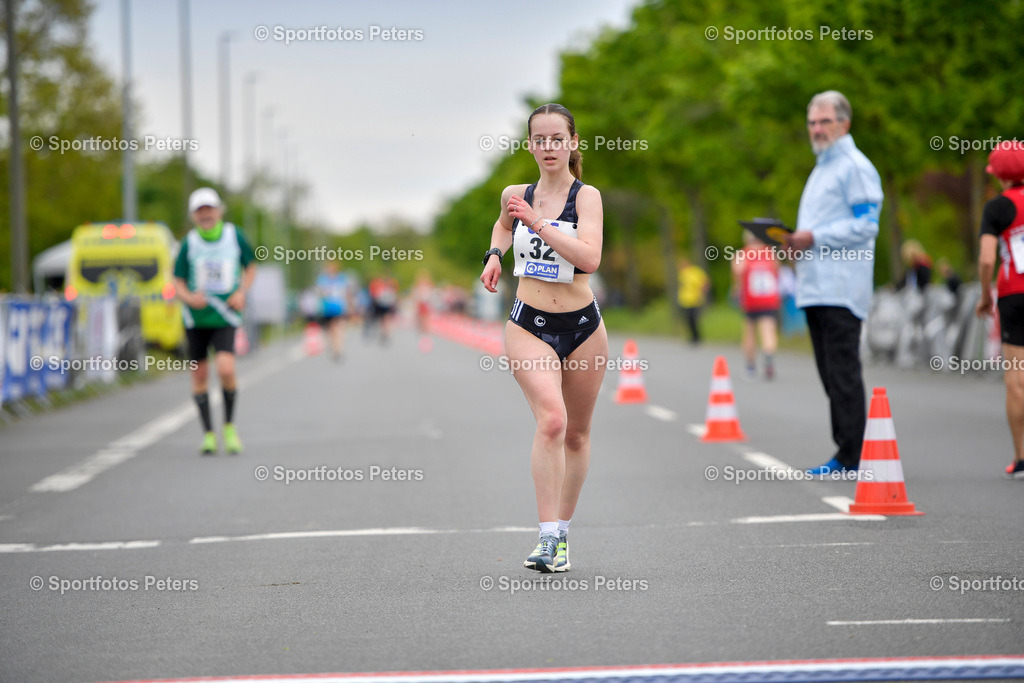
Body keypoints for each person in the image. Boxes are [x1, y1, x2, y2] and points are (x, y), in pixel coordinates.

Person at [479, 103, 606, 573]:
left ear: (572, 143)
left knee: (576, 434)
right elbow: (503, 224)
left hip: (583, 328)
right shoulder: (516, 193)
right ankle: (547, 537)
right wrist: (495, 253)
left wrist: (538, 223)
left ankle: (564, 534)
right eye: (540, 139)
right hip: (528, 324)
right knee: (552, 420)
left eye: (558, 138)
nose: (549, 147)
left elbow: (589, 258)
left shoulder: (586, 197)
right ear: (530, 145)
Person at [784, 91, 883, 475]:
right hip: (815, 286)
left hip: (841, 287)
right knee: (829, 374)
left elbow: (867, 225)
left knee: (842, 371)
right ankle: (848, 450)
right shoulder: (822, 167)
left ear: (845, 123)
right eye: (812, 122)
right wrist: (796, 244)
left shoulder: (854, 166)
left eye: (825, 121)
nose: (817, 129)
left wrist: (814, 237)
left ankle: (852, 455)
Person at [174, 188, 256, 455]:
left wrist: (242, 291)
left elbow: (251, 266)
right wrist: (188, 297)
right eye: (200, 210)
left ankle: (229, 427)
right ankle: (208, 433)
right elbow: (177, 282)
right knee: (199, 374)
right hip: (196, 319)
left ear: (219, 211)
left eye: (209, 209)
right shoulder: (189, 243)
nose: (206, 214)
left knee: (226, 369)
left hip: (225, 315)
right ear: (193, 216)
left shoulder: (234, 236)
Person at [976, 140, 1024, 479]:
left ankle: (1021, 457)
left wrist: (984, 295)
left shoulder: (997, 208)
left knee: (1016, 380)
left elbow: (987, 258)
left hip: (1014, 295)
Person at [732, 233, 780, 379]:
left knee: (749, 332)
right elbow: (777, 272)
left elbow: (737, 273)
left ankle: (750, 366)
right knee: (768, 331)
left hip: (751, 299)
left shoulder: (742, 254)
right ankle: (768, 355)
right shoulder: (770, 253)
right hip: (768, 298)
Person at [316, 261, 355, 361]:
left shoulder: (341, 278)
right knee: (330, 330)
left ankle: (338, 350)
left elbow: (347, 292)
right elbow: (319, 293)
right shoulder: (323, 279)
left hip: (339, 308)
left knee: (338, 329)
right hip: (327, 309)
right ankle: (332, 346)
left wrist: (350, 306)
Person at [677, 256, 710, 344]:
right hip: (685, 300)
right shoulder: (682, 274)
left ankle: (697, 336)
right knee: (688, 319)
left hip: (695, 299)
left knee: (694, 319)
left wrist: (703, 293)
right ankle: (692, 336)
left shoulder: (696, 271)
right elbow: (682, 286)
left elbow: (705, 283)